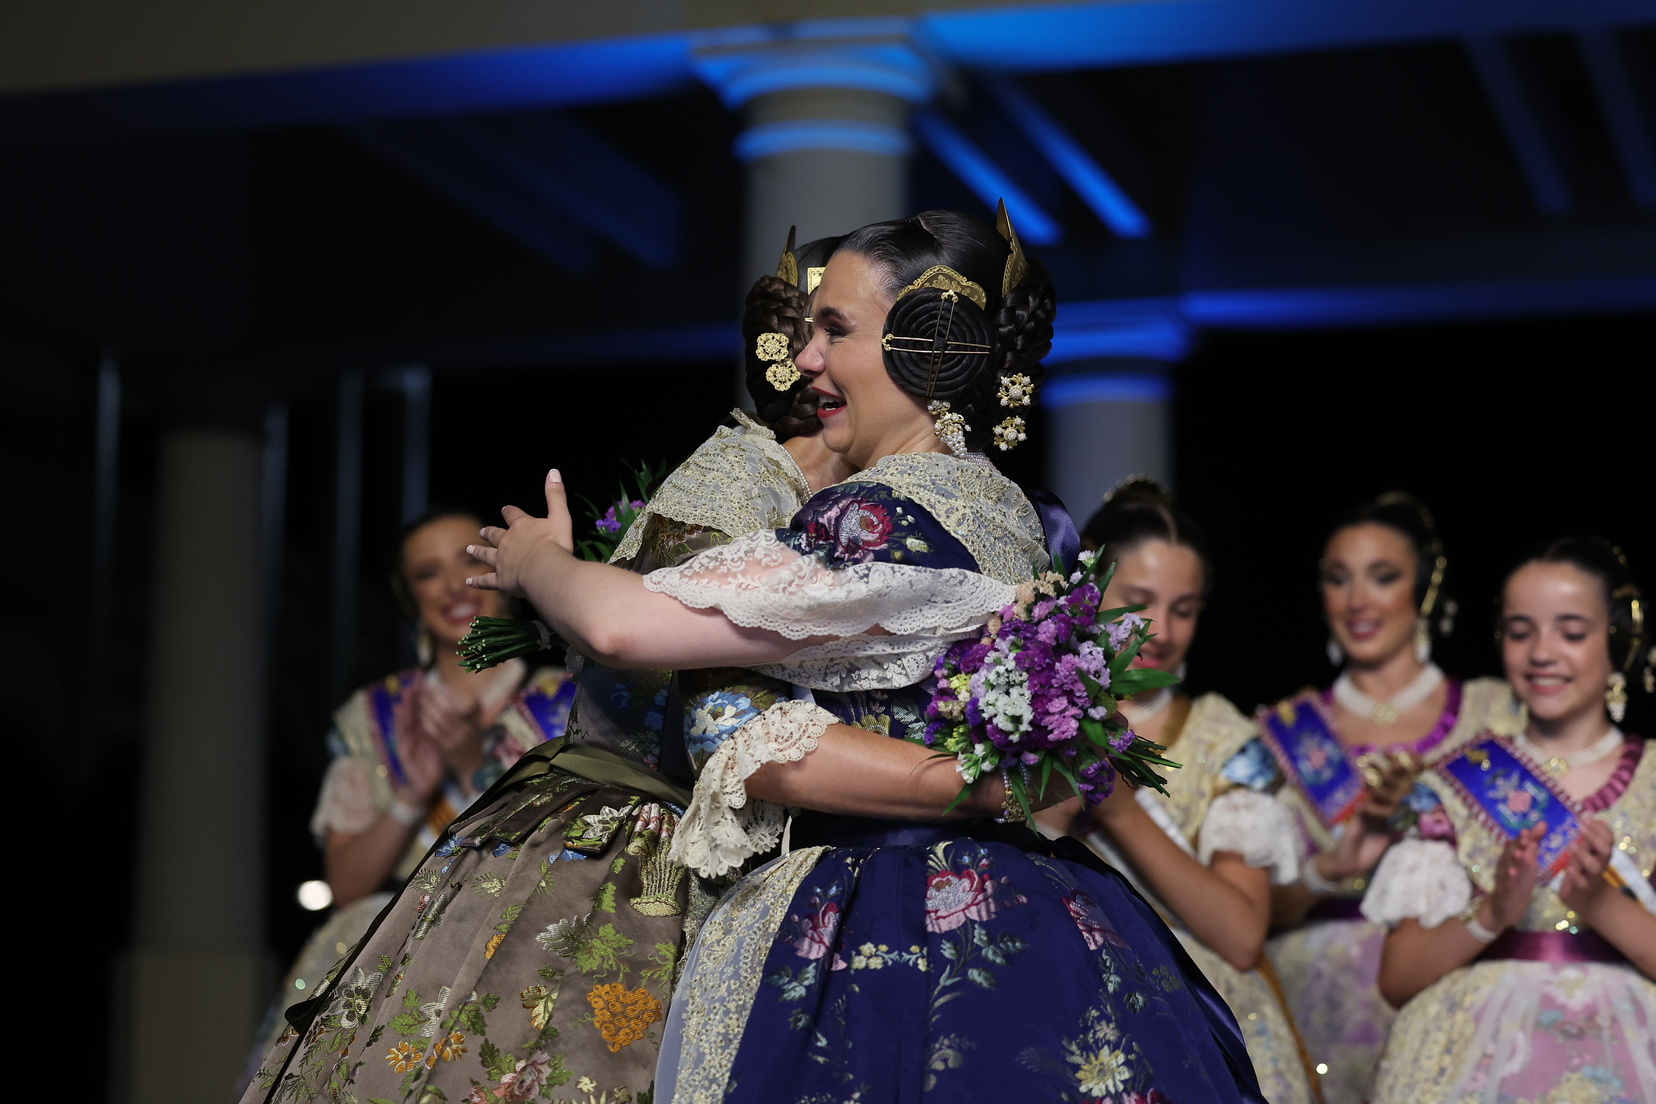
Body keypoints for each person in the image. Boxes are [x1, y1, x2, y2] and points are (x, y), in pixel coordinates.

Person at [471, 209, 1264, 1102]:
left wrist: (536, 562)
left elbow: (621, 626)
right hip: (1013, 898)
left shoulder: (886, 520)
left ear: (929, 348)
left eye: (836, 330)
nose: (807, 359)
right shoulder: (1004, 512)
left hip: (883, 910)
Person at [243, 238, 854, 1104]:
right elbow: (682, 702)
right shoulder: (738, 488)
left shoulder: (547, 689)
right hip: (614, 857)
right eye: (425, 574)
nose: (450, 587)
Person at [1036, 479, 1318, 1104]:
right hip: (1063, 988)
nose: (1161, 628)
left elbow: (1241, 935)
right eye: (1139, 601)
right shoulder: (1032, 711)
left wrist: (1118, 806)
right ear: (1087, 590)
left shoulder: (1225, 738)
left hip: (1200, 1013)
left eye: (1184, 609)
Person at [1362, 537, 1655, 1103]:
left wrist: (1598, 902)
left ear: (1616, 640)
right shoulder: (1452, 785)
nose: (1542, 652)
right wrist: (1495, 910)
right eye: (1521, 632)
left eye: (1571, 632)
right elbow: (1398, 980)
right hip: (1474, 1055)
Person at [1260, 493, 1518, 1103]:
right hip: (1310, 1003)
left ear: (1423, 589)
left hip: (1454, 988)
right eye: (1338, 578)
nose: (1357, 601)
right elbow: (1252, 910)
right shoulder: (1282, 730)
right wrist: (1328, 871)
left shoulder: (1494, 713)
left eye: (1383, 577)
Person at [279, 507, 574, 1004]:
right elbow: (347, 888)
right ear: (409, 597)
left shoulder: (568, 700)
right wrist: (413, 793)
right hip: (392, 957)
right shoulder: (375, 715)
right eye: (428, 573)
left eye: (469, 561)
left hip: (525, 938)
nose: (455, 586)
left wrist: (470, 765)